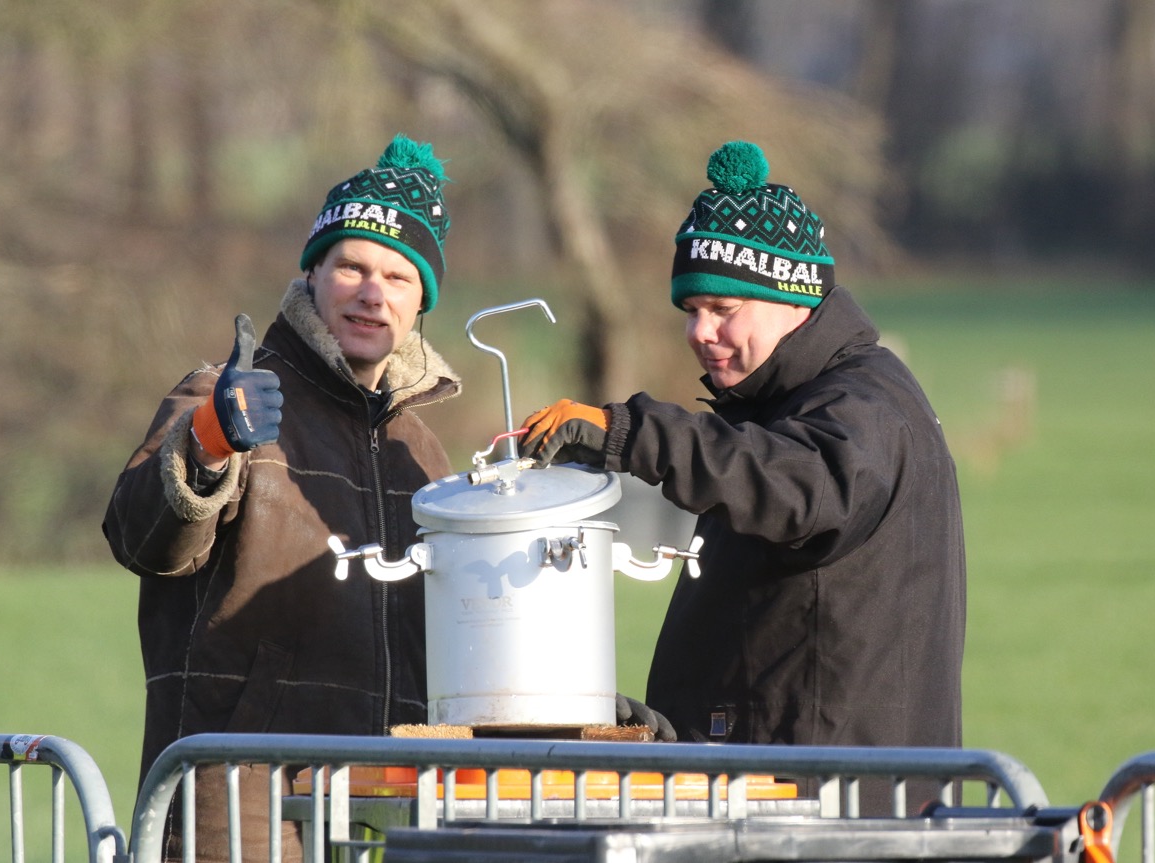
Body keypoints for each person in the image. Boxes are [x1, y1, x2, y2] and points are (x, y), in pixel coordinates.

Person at [520, 141, 966, 813]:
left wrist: (631, 432)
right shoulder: (791, 408)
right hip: (786, 793)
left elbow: (792, 489)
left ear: (794, 298)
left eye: (723, 308)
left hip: (822, 815)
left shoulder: (862, 408)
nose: (699, 332)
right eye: (690, 310)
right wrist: (676, 734)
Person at [103, 134, 461, 860]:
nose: (372, 293)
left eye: (398, 276)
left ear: (421, 299)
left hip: (386, 814)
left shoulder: (423, 452)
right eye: (352, 266)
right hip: (240, 811)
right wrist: (207, 443)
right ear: (312, 273)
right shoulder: (224, 396)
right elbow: (139, 537)